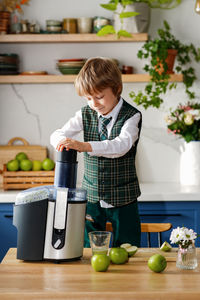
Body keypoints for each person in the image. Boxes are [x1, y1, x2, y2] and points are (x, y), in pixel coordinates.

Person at [50, 57, 142, 247]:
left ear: (116, 89)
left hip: (123, 197)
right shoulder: (84, 114)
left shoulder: (132, 116)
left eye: (99, 96)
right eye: (88, 98)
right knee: (88, 247)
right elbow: (57, 134)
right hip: (91, 196)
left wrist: (85, 146)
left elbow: (121, 145)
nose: (94, 104)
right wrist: (62, 142)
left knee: (128, 247)